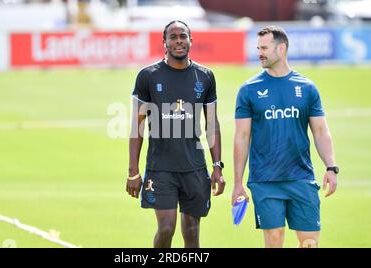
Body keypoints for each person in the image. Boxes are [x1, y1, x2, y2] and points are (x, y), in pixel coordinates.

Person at [232, 26, 338, 248]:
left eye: (264, 48)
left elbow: (320, 131)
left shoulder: (307, 87)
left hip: (301, 177)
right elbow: (241, 137)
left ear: (281, 48)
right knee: (274, 238)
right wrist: (238, 183)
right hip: (265, 180)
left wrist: (331, 167)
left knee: (309, 242)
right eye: (258, 48)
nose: (259, 52)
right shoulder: (249, 90)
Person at [126, 20, 225, 248]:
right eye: (173, 37)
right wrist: (133, 171)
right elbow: (137, 126)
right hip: (160, 168)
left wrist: (217, 166)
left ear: (190, 40)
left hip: (194, 167)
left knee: (191, 232)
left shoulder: (205, 76)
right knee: (166, 228)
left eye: (183, 36)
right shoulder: (148, 76)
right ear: (165, 42)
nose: (178, 40)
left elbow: (212, 124)